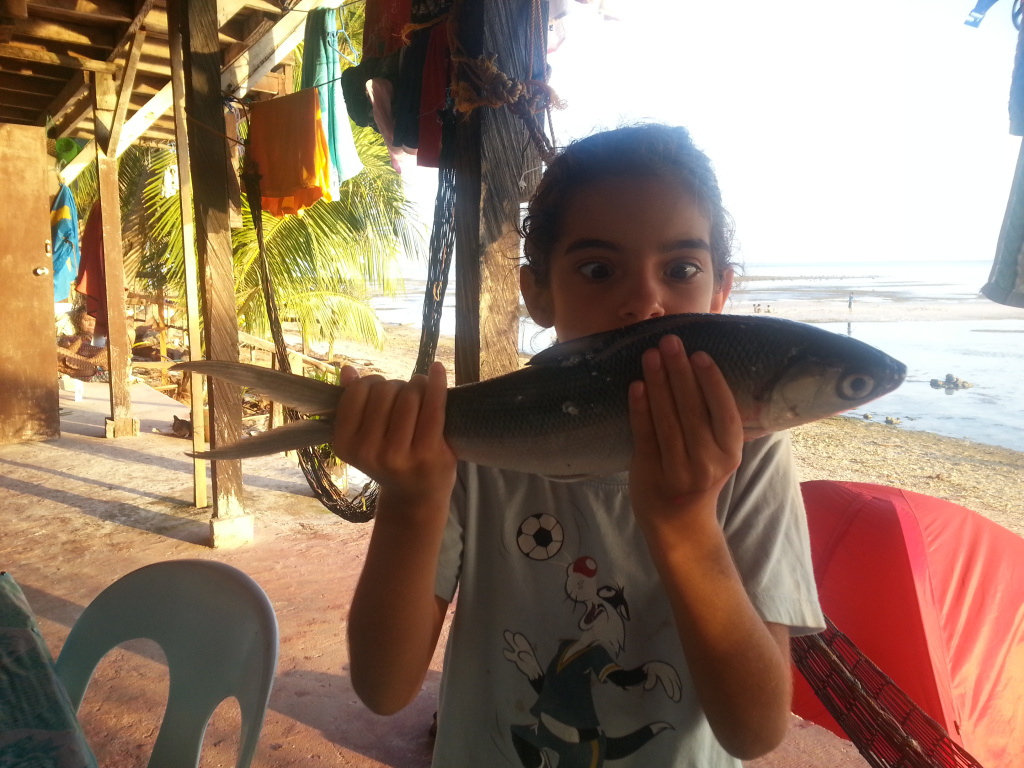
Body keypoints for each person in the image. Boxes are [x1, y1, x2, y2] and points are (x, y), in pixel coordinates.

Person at [335, 124, 824, 768]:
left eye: (681, 269)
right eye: (598, 269)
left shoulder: (751, 454)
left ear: (721, 294)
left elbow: (756, 730)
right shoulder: (476, 448)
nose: (645, 301)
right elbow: (384, 687)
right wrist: (412, 500)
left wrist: (685, 526)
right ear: (537, 292)